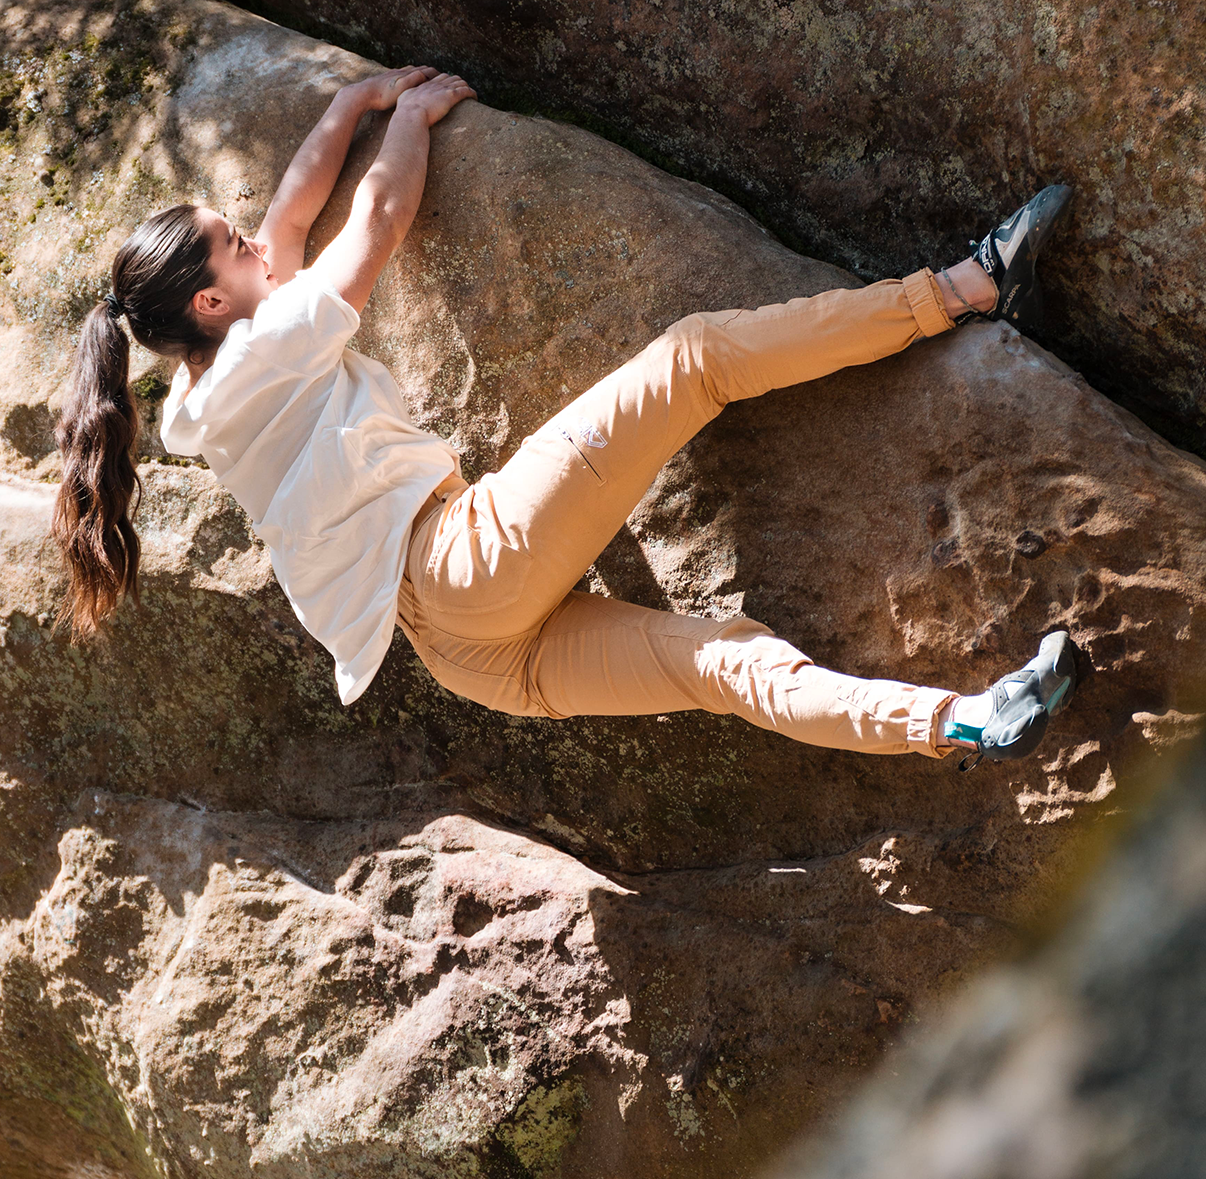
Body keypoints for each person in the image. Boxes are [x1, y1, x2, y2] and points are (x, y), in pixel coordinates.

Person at [53, 64, 1081, 767]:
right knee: (694, 360)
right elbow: (376, 220)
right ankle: (965, 289)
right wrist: (407, 119)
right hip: (466, 561)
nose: (257, 241)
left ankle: (966, 723)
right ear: (211, 301)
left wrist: (355, 100)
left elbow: (287, 217)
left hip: (472, 661)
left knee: (726, 667)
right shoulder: (273, 343)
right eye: (233, 247)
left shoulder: (201, 400)